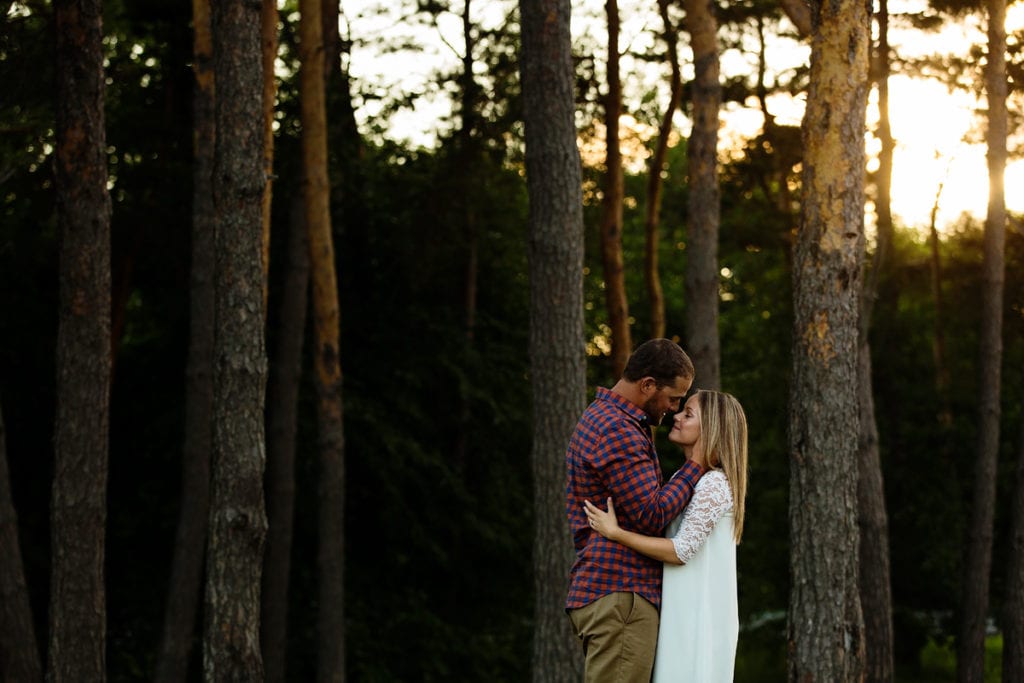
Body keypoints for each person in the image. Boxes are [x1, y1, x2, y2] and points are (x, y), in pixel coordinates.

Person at [565, 339, 708, 683]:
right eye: (674, 398)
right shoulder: (618, 429)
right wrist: (696, 465)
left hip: (613, 592)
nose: (674, 409)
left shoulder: (605, 418)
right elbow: (652, 515)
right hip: (622, 593)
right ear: (647, 385)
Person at [584, 390, 749, 683]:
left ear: (710, 428)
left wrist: (616, 533)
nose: (676, 416)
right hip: (680, 610)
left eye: (688, 414)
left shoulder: (714, 483)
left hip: (698, 614)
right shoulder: (686, 479)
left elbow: (681, 550)